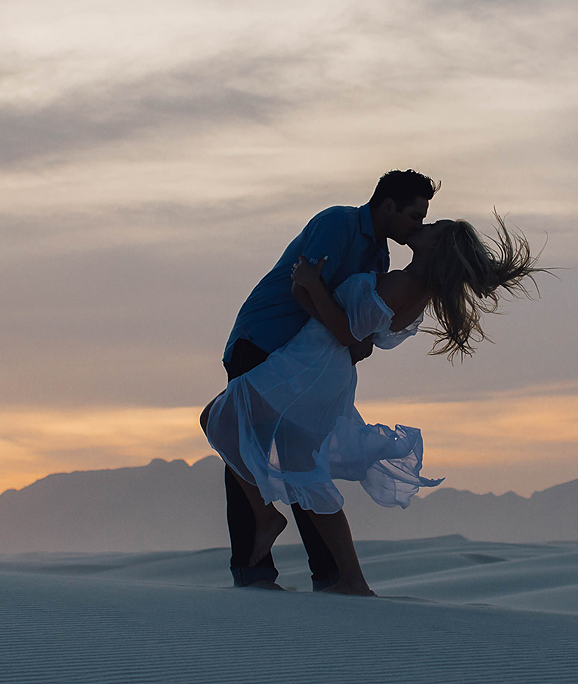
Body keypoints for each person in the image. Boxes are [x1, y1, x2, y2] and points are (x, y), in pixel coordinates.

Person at [204, 211, 548, 595]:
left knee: (219, 420)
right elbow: (364, 338)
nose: (425, 225)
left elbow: (347, 331)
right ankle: (351, 578)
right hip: (324, 368)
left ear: (438, 247)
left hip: (309, 363)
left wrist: (311, 284)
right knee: (303, 468)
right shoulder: (415, 287)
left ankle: (268, 516)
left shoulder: (403, 282)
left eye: (434, 227)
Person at [215, 171, 437, 588]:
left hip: (305, 361)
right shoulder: (338, 224)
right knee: (246, 441)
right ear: (386, 205)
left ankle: (331, 575)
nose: (417, 226)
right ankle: (254, 571)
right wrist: (340, 331)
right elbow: (302, 289)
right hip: (265, 338)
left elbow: (358, 334)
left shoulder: (380, 260)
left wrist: (342, 334)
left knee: (301, 457)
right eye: (414, 215)